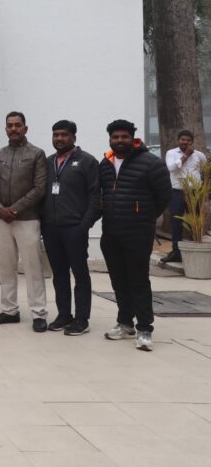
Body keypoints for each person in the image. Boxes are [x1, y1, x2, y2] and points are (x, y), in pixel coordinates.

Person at [99, 119, 171, 352]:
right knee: (118, 281)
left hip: (138, 233)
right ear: (110, 139)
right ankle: (125, 323)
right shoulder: (105, 163)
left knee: (138, 281)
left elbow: (164, 198)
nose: (119, 141)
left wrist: (143, 216)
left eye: (124, 137)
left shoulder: (151, 163)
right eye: (115, 137)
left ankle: (144, 329)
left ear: (133, 138)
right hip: (111, 233)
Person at [0, 111, 49, 332]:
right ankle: (9, 310)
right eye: (10, 125)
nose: (13, 129)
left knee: (32, 267)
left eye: (17, 125)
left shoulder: (36, 154)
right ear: (5, 129)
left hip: (27, 219)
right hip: (3, 220)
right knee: (6, 266)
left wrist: (14, 209)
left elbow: (40, 188)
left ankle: (39, 313)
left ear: (25, 128)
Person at [41, 120, 101, 336]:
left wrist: (84, 225)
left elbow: (96, 197)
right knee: (59, 274)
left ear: (74, 137)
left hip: (75, 228)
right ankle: (64, 314)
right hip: (51, 228)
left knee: (80, 274)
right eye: (55, 134)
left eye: (64, 135)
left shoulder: (87, 162)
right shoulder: (47, 162)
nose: (59, 139)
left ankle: (81, 319)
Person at [163, 129, 207, 263]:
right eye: (183, 139)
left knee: (195, 223)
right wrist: (186, 156)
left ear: (192, 142)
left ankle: (197, 252)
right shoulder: (171, 153)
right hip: (177, 193)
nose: (185, 142)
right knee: (176, 222)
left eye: (188, 140)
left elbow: (204, 169)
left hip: (195, 193)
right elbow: (171, 168)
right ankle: (176, 253)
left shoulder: (199, 155)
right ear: (178, 140)